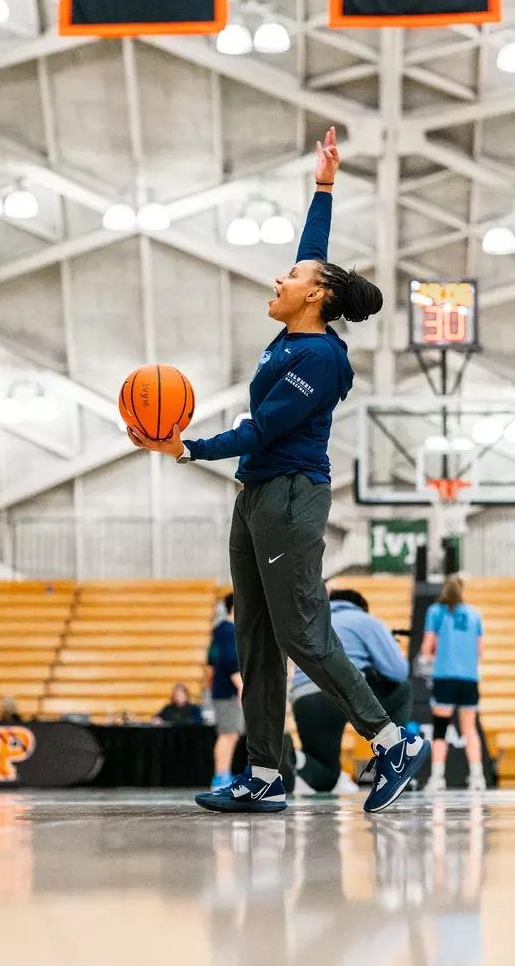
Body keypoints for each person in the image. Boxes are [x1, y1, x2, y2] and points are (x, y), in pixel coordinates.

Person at [128, 128, 430, 814]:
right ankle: (264, 772)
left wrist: (184, 449)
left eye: (292, 279)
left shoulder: (319, 360)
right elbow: (314, 251)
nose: (280, 278)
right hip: (257, 495)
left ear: (315, 298)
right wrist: (324, 184)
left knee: (301, 631)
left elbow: (261, 430)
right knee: (255, 638)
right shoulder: (294, 332)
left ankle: (392, 741)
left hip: (291, 498)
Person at [291, 588, 411, 793]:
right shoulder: (365, 621)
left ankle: (290, 755)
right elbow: (398, 671)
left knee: (326, 776)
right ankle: (394, 764)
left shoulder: (312, 624)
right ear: (362, 607)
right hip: (342, 690)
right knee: (403, 690)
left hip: (303, 697)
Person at [420, 575, 486, 793]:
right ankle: (477, 777)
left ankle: (438, 778)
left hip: (445, 676)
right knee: (470, 729)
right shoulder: (474, 613)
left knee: (440, 728)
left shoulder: (435, 612)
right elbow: (480, 651)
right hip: (469, 678)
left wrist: (433, 656)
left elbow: (427, 646)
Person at [208, 592, 244, 789]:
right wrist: (241, 686)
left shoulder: (221, 630)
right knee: (228, 734)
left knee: (231, 734)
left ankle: (224, 774)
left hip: (223, 689)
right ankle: (221, 776)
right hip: (228, 691)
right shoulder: (229, 631)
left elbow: (211, 660)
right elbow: (231, 661)